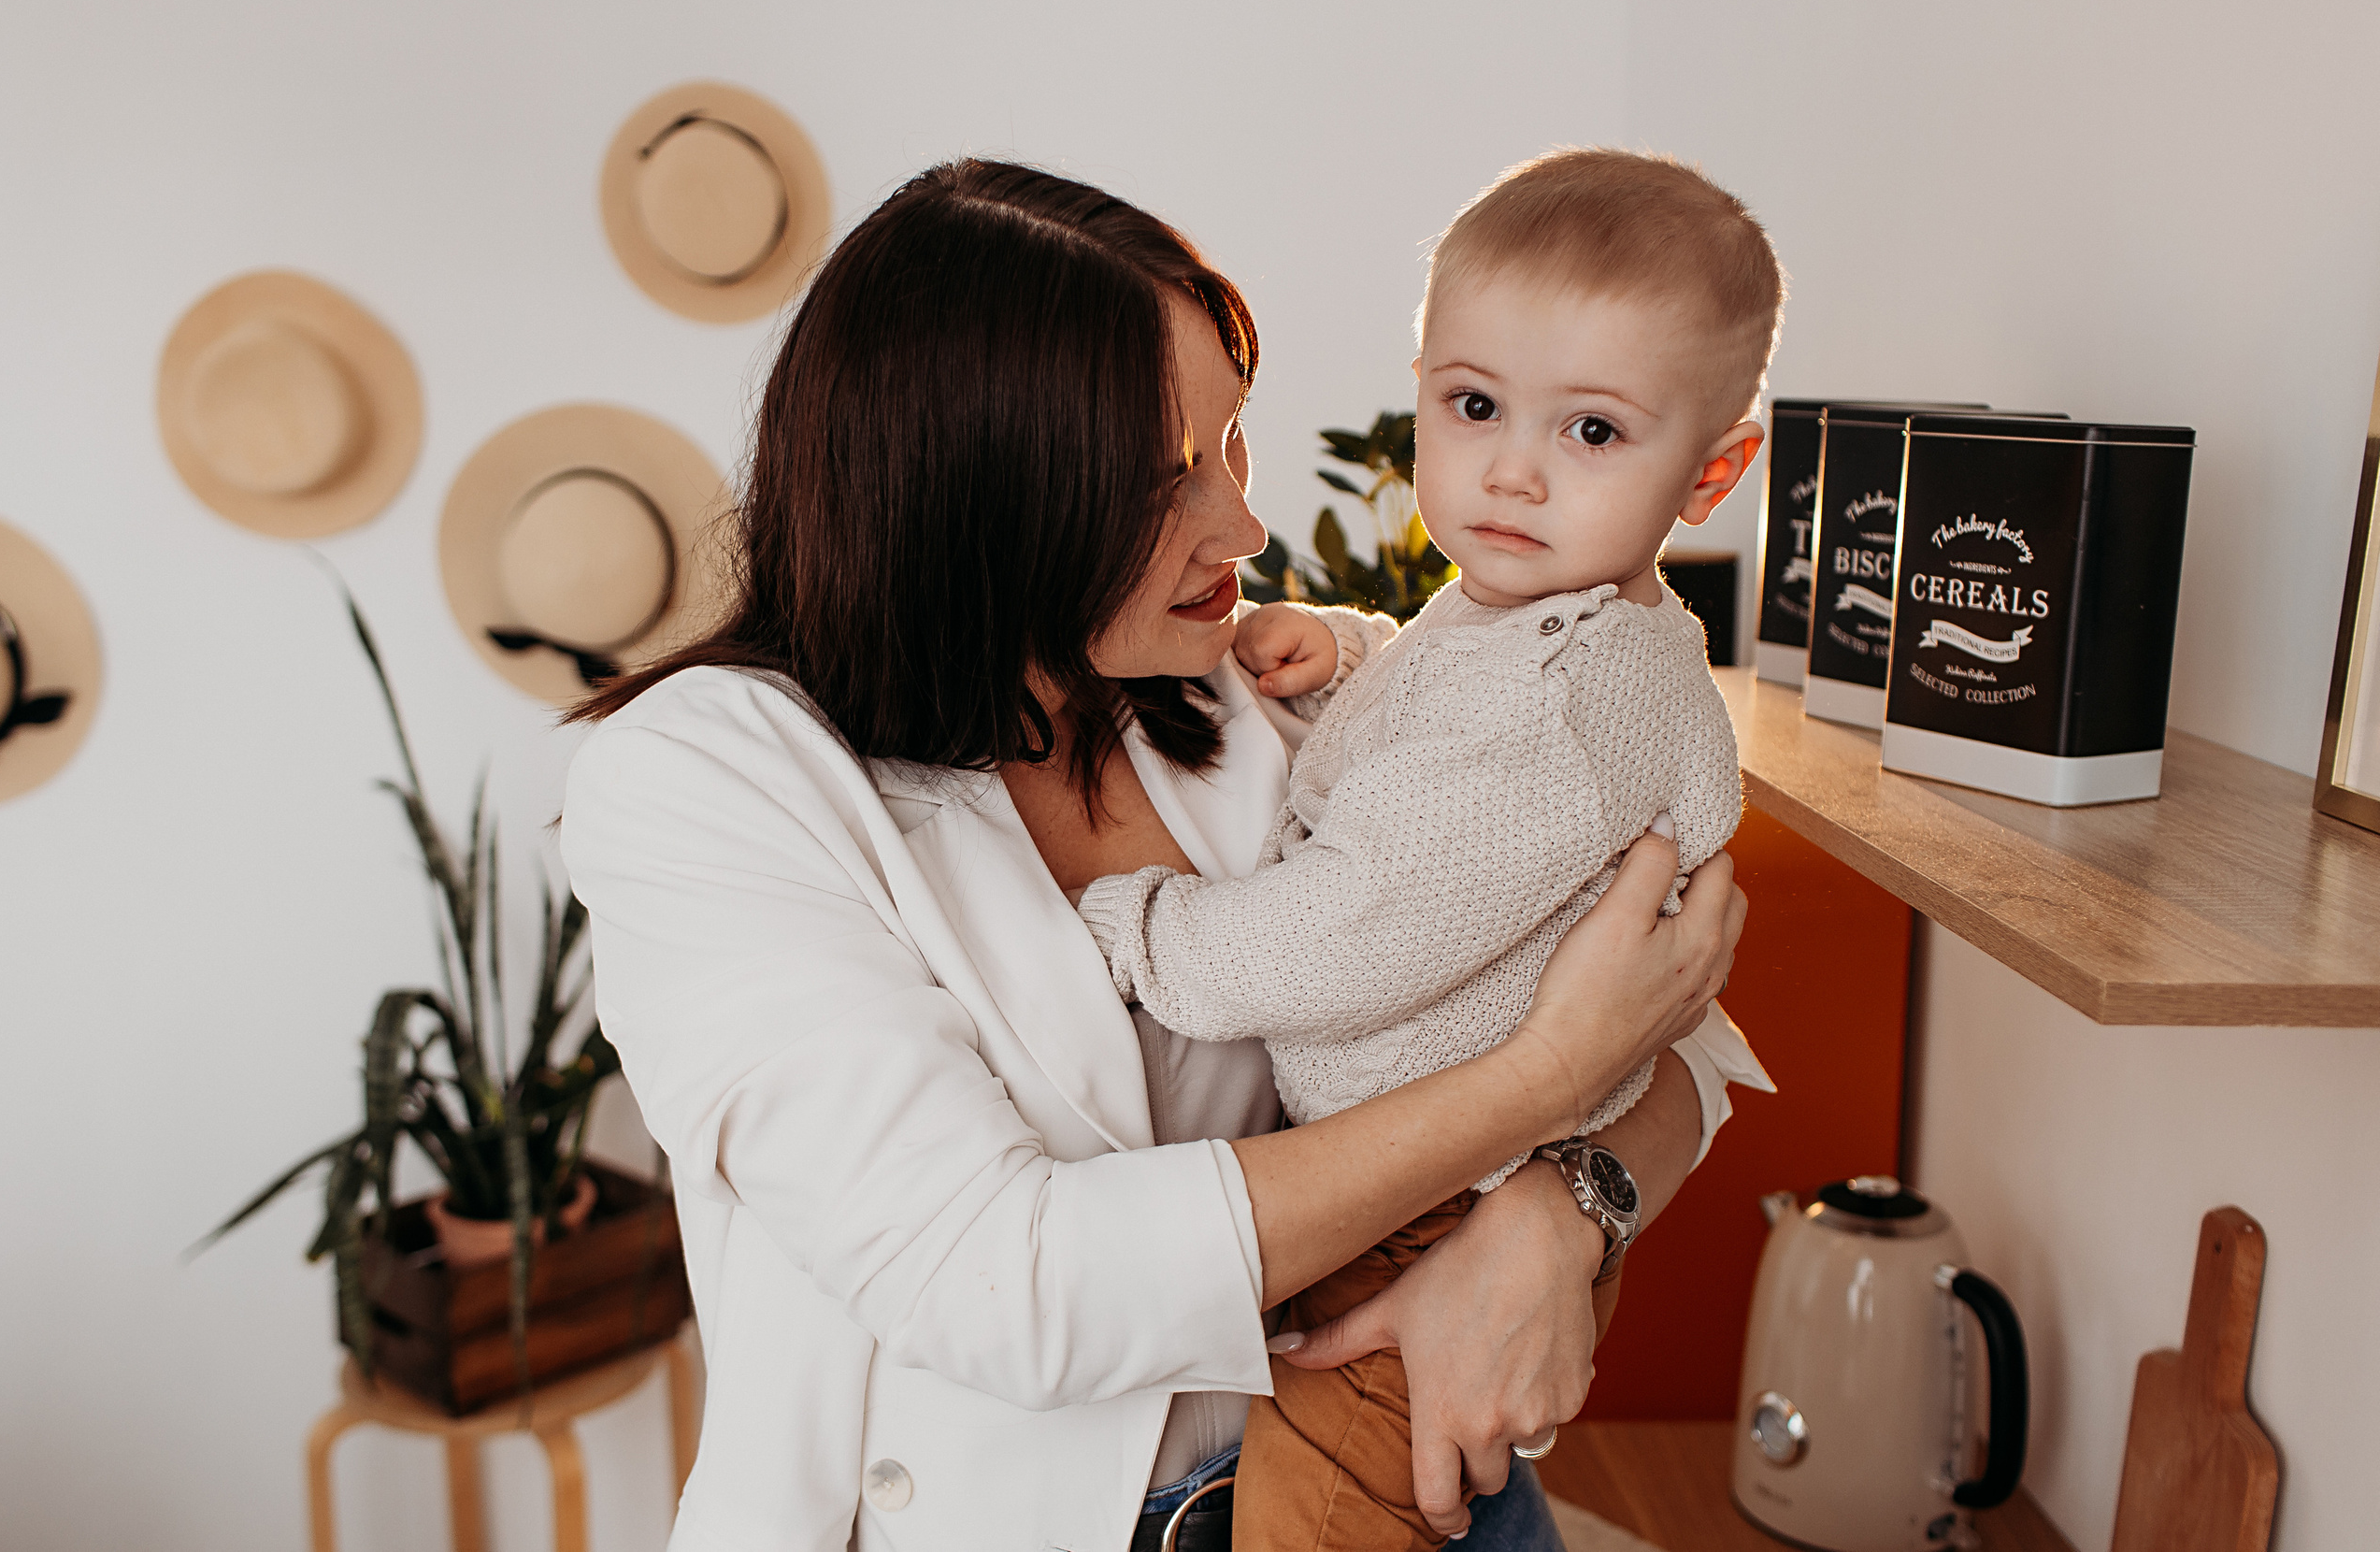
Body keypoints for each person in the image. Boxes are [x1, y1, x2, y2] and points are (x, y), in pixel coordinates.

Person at [558, 157, 1761, 1552]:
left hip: (1401, 1479)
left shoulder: (1257, 682)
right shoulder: (707, 778)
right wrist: (1538, 1089)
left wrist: (1566, 1211)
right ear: (975, 503)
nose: (1242, 529)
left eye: (1233, 442)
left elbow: (1677, 1022)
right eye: (1160, 485)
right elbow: (1006, 1286)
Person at [1076, 148, 1785, 1551]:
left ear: (1713, 473)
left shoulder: (1568, 702)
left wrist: (1134, 930)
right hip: (1431, 1184)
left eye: (1592, 433)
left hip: (1438, 1221)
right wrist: (1350, 652)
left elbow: (1361, 922)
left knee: (1323, 1521)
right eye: (1472, 406)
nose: (1512, 469)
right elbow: (1452, 722)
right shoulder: (1540, 630)